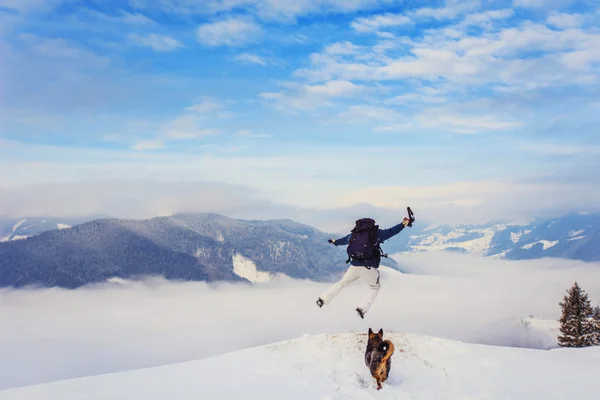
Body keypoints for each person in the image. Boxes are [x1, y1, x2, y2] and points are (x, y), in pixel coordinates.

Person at [316, 216, 413, 319]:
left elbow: (344, 240)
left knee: (342, 283)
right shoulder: (376, 233)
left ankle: (323, 299)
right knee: (375, 287)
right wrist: (404, 223)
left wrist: (335, 241)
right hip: (368, 267)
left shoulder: (355, 233)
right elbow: (392, 231)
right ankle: (362, 308)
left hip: (354, 266)